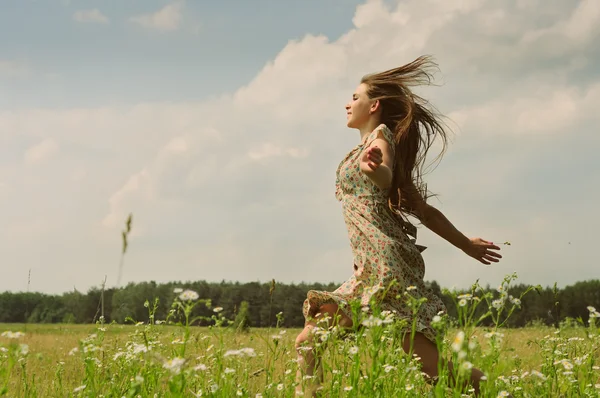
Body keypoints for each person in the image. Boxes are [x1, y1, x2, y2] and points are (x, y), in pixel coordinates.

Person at [294, 55, 503, 396]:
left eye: (355, 98)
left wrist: (375, 169)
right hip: (370, 267)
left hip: (386, 269)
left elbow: (383, 173)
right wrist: (466, 243)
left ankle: (498, 390)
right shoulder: (363, 146)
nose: (348, 104)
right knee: (307, 344)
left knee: (432, 370)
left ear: (374, 105)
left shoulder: (379, 141)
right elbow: (424, 210)